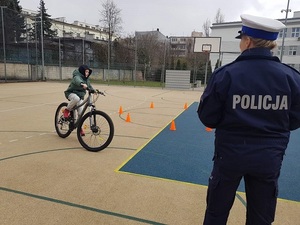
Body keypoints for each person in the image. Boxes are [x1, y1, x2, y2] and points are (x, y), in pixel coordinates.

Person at [197, 14, 300, 225]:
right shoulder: (291, 77)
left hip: (229, 157)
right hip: (269, 159)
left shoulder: (226, 74)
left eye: (241, 39)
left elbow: (208, 117)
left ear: (248, 41)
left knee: (216, 213)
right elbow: (295, 119)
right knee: (261, 217)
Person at [64, 64, 95, 136]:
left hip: (80, 96)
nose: (87, 73)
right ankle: (67, 110)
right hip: (71, 93)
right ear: (82, 71)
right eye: (86, 72)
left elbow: (89, 86)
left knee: (81, 113)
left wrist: (94, 91)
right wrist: (82, 84)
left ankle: (79, 127)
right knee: (76, 98)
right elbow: (78, 80)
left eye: (88, 72)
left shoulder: (86, 79)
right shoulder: (76, 76)